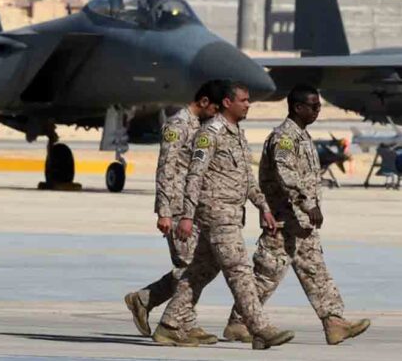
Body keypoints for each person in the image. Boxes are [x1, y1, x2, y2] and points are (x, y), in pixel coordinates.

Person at [222, 84, 371, 345]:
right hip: (283, 219)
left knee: (315, 271)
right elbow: (286, 174)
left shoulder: (302, 136)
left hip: (300, 223)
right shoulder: (284, 138)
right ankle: (239, 322)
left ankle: (334, 322)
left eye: (319, 106)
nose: (317, 111)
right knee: (266, 275)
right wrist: (307, 203)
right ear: (298, 107)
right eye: (313, 106)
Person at [153, 81, 295, 350]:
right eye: (243, 100)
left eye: (249, 100)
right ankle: (259, 328)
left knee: (200, 271)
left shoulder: (237, 135)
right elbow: (194, 174)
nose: (248, 104)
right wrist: (185, 215)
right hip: (215, 213)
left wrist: (263, 207)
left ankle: (169, 325)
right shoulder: (210, 134)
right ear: (228, 103)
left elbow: (246, 179)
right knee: (239, 270)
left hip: (231, 212)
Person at [123, 80, 223, 344]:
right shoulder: (177, 126)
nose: (215, 115)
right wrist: (164, 212)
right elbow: (165, 168)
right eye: (214, 108)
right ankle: (183, 323)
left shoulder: (201, 127)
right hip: (177, 207)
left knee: (206, 264)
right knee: (190, 266)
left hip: (193, 207)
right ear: (203, 102)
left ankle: (145, 299)